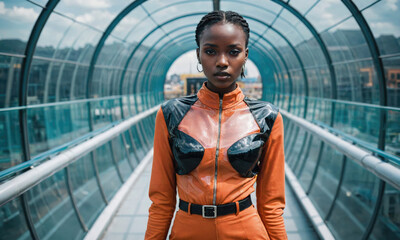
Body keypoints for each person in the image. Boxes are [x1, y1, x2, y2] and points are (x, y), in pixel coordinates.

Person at [145, 10, 287, 240]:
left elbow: (271, 203)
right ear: (199, 55)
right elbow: (161, 199)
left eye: (233, 52)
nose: (222, 62)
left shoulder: (267, 117)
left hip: (247, 231)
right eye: (210, 51)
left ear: (245, 56)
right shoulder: (171, 113)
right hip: (187, 231)